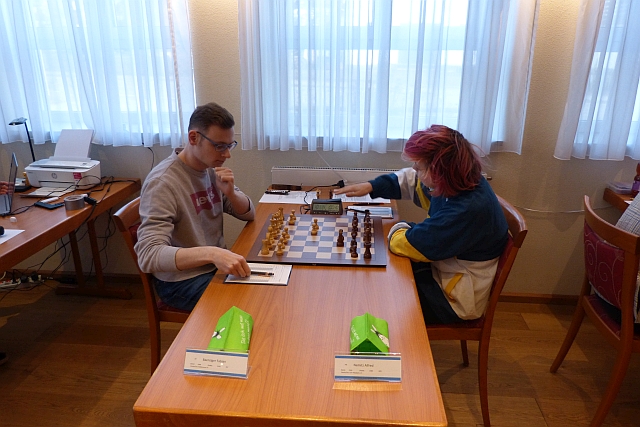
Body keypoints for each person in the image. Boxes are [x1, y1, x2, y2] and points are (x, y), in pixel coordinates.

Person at [334, 125, 508, 324]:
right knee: (378, 277)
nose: (415, 169)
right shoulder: (454, 181)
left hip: (453, 299)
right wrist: (372, 186)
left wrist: (401, 227)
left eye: (421, 166)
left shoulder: (466, 209)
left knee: (378, 294)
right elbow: (412, 181)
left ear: (441, 171)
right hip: (442, 269)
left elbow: (407, 244)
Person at [135, 102, 255, 311]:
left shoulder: (209, 168)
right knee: (252, 304)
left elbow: (249, 214)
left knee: (267, 290)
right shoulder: (162, 183)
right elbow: (148, 254)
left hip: (213, 267)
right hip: (180, 281)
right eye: (220, 146)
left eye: (230, 145)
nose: (227, 154)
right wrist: (213, 253)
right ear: (193, 138)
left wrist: (231, 193)